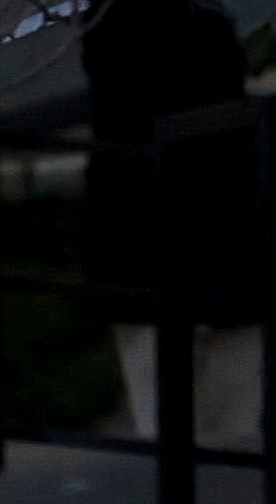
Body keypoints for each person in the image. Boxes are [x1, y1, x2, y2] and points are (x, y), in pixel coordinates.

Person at [84, 0, 262, 456]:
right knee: (224, 432)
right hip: (211, 248)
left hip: (164, 250)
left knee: (182, 433)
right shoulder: (196, 28)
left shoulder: (112, 32)